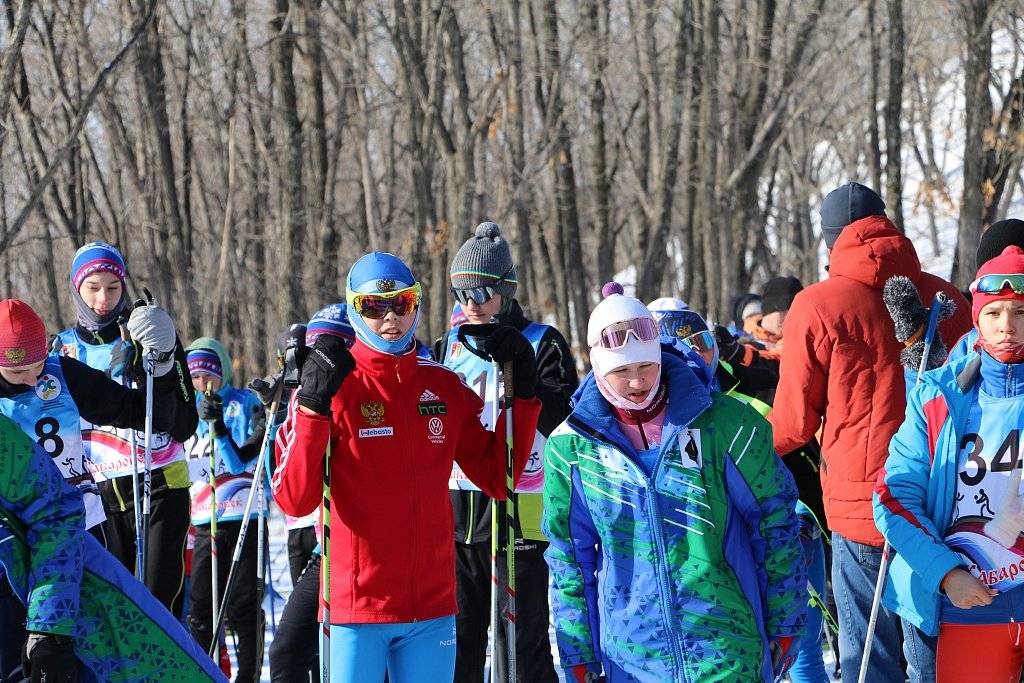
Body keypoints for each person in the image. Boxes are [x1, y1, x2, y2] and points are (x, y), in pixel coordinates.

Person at [271, 252, 541, 683]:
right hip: (357, 609)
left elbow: (498, 476)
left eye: (403, 303)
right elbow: (294, 497)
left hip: (431, 606)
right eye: (374, 307)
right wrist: (310, 407)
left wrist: (523, 391)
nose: (391, 317)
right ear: (354, 308)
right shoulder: (333, 383)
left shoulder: (443, 385)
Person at [544, 283, 806, 682]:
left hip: (726, 647)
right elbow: (568, 557)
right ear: (597, 368)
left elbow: (776, 522)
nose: (637, 382)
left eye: (646, 366)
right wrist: (578, 654)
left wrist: (785, 618)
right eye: (621, 371)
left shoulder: (724, 423)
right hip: (632, 656)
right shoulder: (571, 448)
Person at [771, 181, 972, 682]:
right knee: (934, 647)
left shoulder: (817, 304)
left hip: (861, 505)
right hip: (940, 496)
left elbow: (793, 424)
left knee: (868, 656)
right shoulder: (946, 296)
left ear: (830, 239)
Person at [650, 296, 830, 683]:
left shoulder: (746, 389)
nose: (693, 355)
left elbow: (800, 458)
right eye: (678, 345)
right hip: (698, 576)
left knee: (801, 654)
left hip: (782, 539)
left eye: (700, 342)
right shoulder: (645, 419)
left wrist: (803, 517)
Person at [874, 245, 1024, 682]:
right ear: (977, 318)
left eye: (1019, 313)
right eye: (994, 313)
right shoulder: (940, 396)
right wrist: (947, 573)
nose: (1007, 327)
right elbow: (893, 496)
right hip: (968, 603)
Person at [436, 221, 577, 683]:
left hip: (519, 510)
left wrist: (521, 372)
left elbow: (561, 416)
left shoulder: (541, 340)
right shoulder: (448, 347)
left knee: (519, 648)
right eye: (461, 294)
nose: (470, 305)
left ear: (507, 289)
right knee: (460, 646)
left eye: (480, 292)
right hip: (460, 516)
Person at [0, 413, 226, 683]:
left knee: (165, 601)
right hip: (105, 508)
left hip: (132, 507)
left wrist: (49, 628)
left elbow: (55, 513)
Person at [54, 240, 196, 616]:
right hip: (100, 501)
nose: (103, 299)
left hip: (159, 486)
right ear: (76, 288)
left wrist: (162, 365)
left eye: (113, 288)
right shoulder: (60, 352)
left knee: (156, 609)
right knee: (116, 614)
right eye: (93, 288)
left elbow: (185, 424)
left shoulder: (148, 331)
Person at [184, 337, 266, 682]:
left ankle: (247, 676)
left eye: (210, 375)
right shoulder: (189, 413)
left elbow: (238, 462)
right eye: (196, 377)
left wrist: (218, 428)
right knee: (202, 608)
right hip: (205, 519)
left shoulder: (245, 403)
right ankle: (206, 671)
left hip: (242, 514)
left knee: (243, 607)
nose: (204, 385)